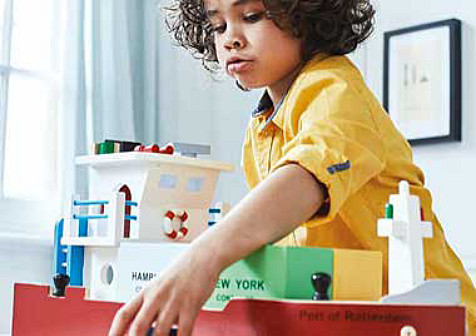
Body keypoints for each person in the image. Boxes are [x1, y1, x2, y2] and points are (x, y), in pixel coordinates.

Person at [109, 0, 476, 335]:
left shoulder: (337, 90)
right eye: (218, 26)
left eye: (251, 16)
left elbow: (305, 177)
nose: (231, 39)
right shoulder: (262, 126)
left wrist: (202, 258)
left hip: (438, 321)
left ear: (305, 16)